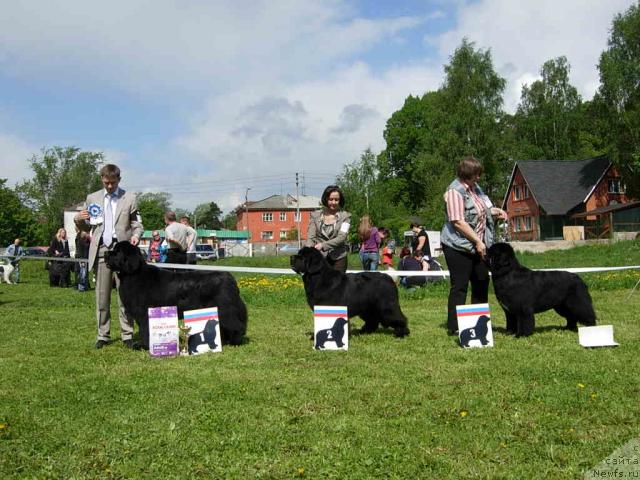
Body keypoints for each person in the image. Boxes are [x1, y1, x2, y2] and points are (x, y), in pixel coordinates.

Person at [74, 163, 144, 349]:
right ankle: (103, 335)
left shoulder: (130, 197)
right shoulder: (92, 198)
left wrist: (136, 236)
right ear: (102, 180)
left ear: (119, 180)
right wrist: (78, 220)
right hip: (102, 250)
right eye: (106, 183)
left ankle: (127, 334)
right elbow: (86, 226)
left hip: (124, 252)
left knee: (125, 295)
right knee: (102, 295)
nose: (110, 186)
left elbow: (137, 224)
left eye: (113, 182)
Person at [441, 155, 508, 335]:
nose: (479, 177)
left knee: (481, 281)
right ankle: (455, 327)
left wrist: (496, 211)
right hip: (458, 246)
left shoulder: (475, 189)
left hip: (479, 245)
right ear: (468, 174)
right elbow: (458, 222)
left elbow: (482, 210)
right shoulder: (455, 192)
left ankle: (479, 324)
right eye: (476, 174)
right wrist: (477, 241)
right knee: (460, 286)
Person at [306, 185, 351, 273]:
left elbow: (342, 237)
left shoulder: (346, 216)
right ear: (326, 199)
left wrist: (323, 245)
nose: (333, 202)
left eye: (336, 200)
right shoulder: (315, 215)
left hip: (339, 258)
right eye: (331, 199)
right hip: (320, 259)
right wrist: (308, 252)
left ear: (340, 200)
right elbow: (311, 237)